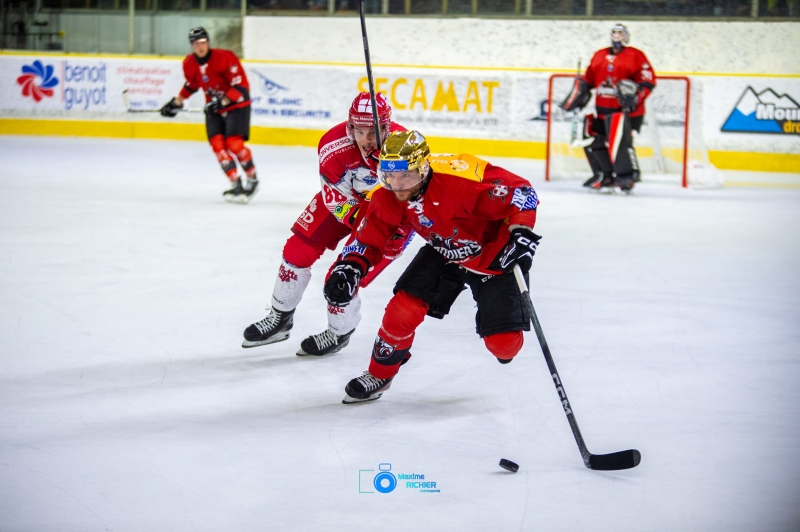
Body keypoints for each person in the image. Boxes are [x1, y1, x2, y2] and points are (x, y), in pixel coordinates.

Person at [323, 130, 541, 404]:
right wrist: (351, 267)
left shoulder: (460, 178)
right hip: (444, 251)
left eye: (406, 176)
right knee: (402, 310)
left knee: (504, 346)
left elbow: (521, 193)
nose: (398, 185)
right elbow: (371, 235)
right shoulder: (389, 193)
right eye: (390, 176)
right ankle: (380, 374)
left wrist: (521, 231)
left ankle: (492, 318)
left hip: (495, 257)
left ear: (423, 168)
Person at [242, 92, 413, 357]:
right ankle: (280, 317)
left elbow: (412, 198)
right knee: (296, 251)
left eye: (374, 132)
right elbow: (336, 199)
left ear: (387, 128)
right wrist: (358, 220)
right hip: (347, 201)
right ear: (350, 127)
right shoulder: (333, 145)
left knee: (343, 278)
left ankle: (338, 332)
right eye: (360, 131)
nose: (367, 140)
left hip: (389, 216)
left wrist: (387, 167)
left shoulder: (405, 148)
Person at [160, 27, 259, 204]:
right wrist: (176, 102)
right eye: (197, 43)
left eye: (203, 41)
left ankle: (252, 180)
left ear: (209, 42)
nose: (201, 46)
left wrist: (223, 102)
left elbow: (241, 86)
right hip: (214, 108)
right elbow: (192, 84)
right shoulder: (189, 63)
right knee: (218, 146)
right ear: (192, 46)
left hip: (237, 105)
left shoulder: (225, 57)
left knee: (234, 145)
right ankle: (236, 183)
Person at [560, 23, 657, 192]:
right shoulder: (599, 55)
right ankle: (603, 175)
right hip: (602, 108)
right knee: (592, 139)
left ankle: (625, 178)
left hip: (626, 111)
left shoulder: (636, 55)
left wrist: (635, 97)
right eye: (615, 32)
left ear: (626, 36)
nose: (617, 35)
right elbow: (589, 79)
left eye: (621, 32)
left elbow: (648, 81)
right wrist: (579, 92)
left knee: (619, 143)